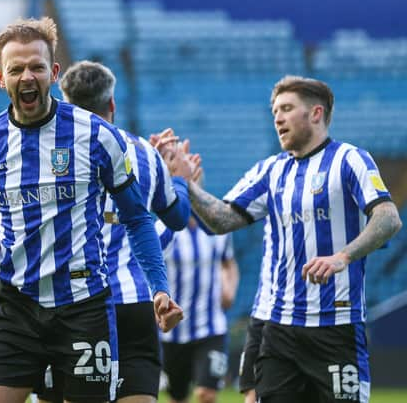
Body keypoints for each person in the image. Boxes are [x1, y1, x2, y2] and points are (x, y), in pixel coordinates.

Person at [0, 17, 183, 403]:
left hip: (83, 306)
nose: (27, 76)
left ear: (54, 73)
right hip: (16, 305)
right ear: (0, 77)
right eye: (16, 69)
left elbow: (137, 218)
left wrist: (159, 288)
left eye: (37, 67)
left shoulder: (97, 135)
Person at [156, 75, 402, 403]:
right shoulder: (271, 170)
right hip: (278, 330)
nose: (278, 118)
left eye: (287, 109)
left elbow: (388, 217)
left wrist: (342, 256)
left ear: (316, 114)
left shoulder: (350, 160)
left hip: (335, 325)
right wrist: (183, 183)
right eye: (275, 111)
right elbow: (221, 220)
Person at [35, 60, 195, 403]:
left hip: (69, 303)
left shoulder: (47, 154)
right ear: (111, 104)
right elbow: (178, 217)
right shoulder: (144, 154)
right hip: (133, 302)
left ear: (64, 100)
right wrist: (179, 178)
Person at [156, 181, 239, 403]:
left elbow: (228, 263)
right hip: (173, 331)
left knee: (206, 394)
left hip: (211, 327)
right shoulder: (164, 231)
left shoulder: (217, 231)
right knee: (177, 396)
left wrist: (229, 288)